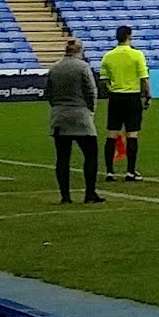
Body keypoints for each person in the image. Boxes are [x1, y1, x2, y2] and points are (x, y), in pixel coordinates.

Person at [45, 38, 104, 204]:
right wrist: (91, 110)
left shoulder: (54, 68)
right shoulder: (83, 67)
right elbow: (91, 91)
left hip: (59, 117)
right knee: (91, 155)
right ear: (80, 51)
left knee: (62, 158)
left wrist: (57, 107)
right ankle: (90, 193)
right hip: (80, 116)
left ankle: (65, 196)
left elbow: (48, 93)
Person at [99, 25, 152, 181]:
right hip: (132, 97)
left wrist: (112, 90)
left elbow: (104, 80)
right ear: (129, 36)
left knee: (112, 134)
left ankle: (109, 171)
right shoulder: (137, 55)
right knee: (132, 134)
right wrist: (148, 96)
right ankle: (130, 171)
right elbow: (144, 78)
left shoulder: (108, 56)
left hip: (116, 97)